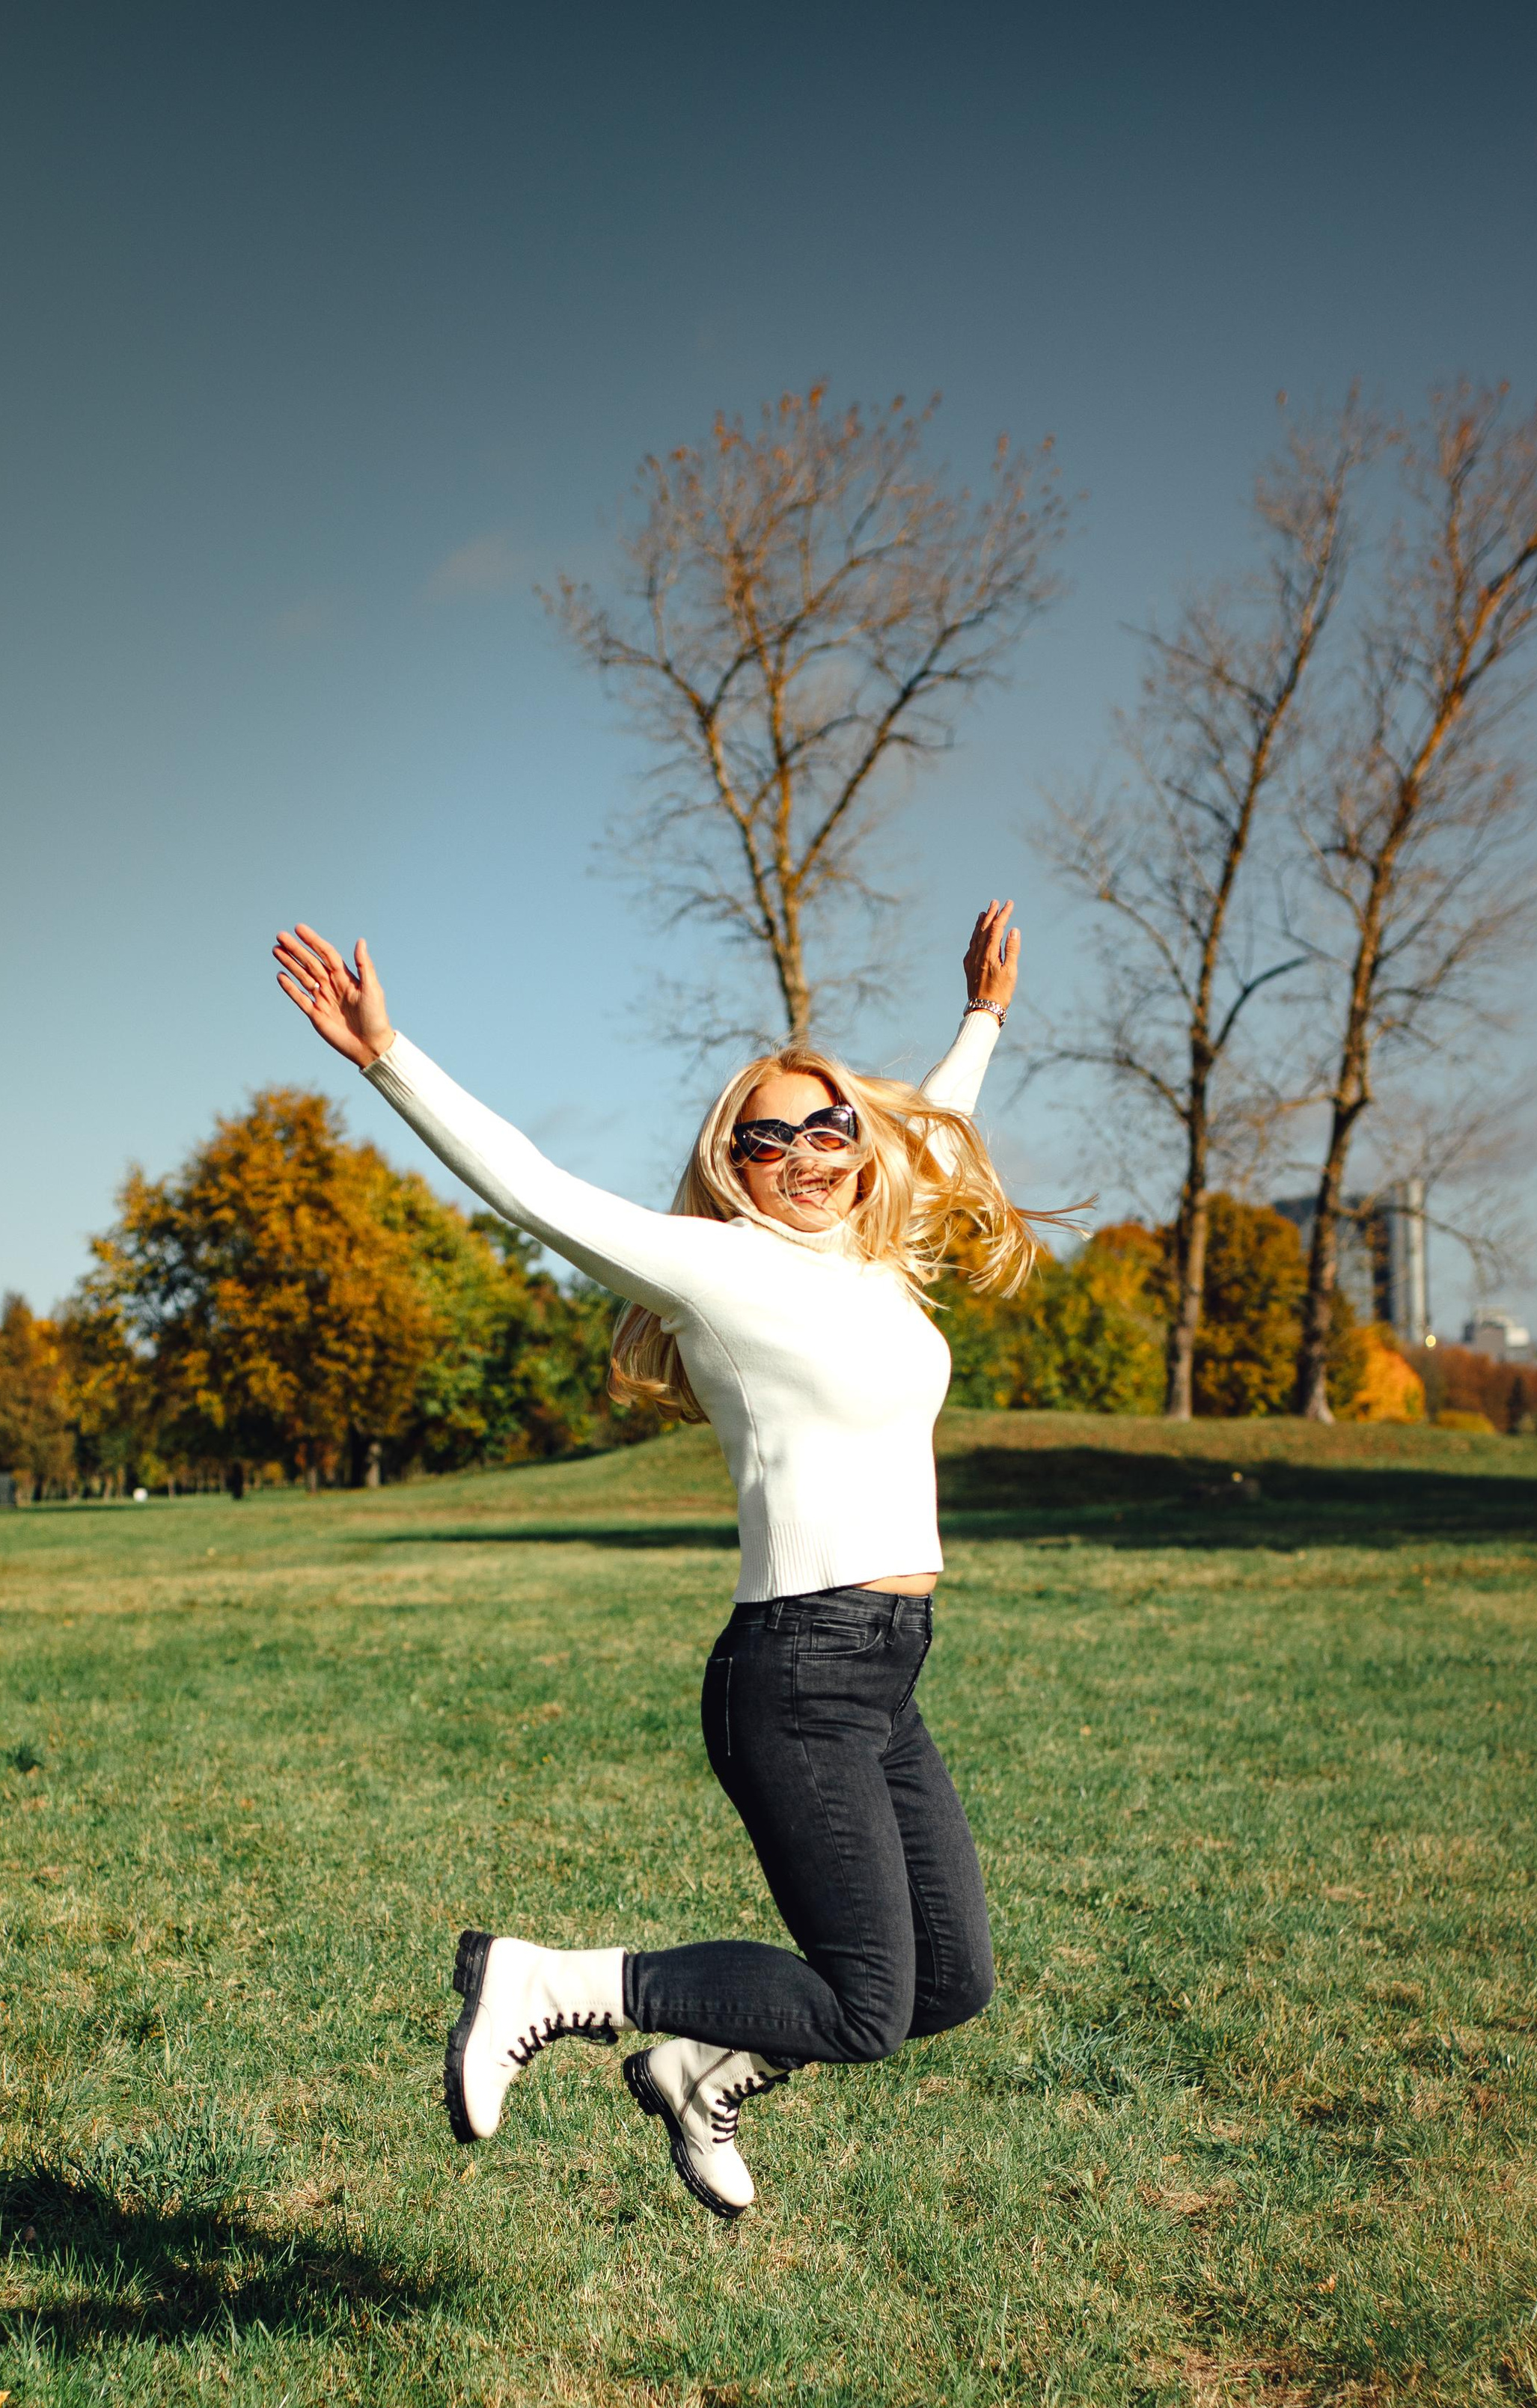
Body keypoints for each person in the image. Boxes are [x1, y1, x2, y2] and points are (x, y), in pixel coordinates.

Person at [272, 905, 1036, 2218]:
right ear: (733, 1165)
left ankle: (696, 2067)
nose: (806, 1151)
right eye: (769, 1136)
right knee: (864, 2006)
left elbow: (929, 1132)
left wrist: (981, 1020)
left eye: (828, 1127)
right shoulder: (716, 1270)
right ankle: (549, 1982)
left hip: (886, 1675)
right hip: (796, 1672)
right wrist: (387, 1057)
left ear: (860, 1149)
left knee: (949, 1985)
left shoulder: (871, 1259)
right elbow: (530, 1186)